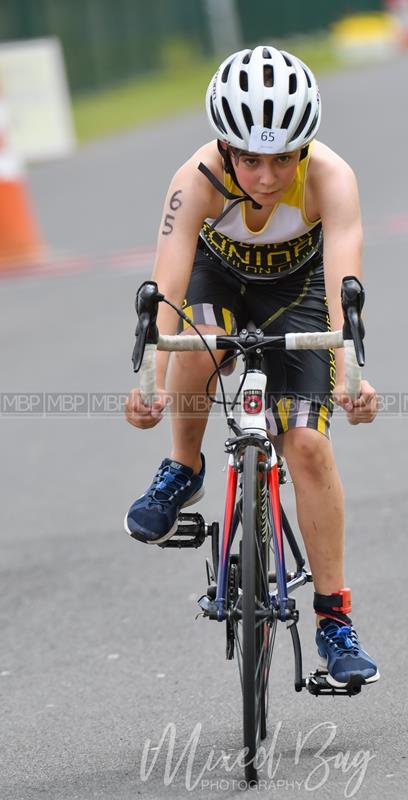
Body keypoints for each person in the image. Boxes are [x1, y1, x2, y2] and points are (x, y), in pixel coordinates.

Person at [124, 45, 379, 688]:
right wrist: (149, 379)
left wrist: (352, 371)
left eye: (283, 158)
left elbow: (345, 287)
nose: (265, 176)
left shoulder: (332, 179)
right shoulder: (195, 179)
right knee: (199, 334)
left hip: (299, 295)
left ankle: (334, 619)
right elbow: (167, 287)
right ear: (222, 145)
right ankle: (184, 468)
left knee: (309, 447)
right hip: (219, 281)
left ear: (306, 148)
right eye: (248, 158)